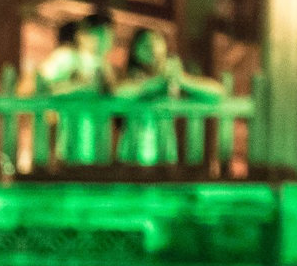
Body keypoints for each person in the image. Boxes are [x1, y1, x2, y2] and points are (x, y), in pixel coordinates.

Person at [112, 27, 225, 166]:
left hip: (164, 150)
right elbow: (116, 93)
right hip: (132, 151)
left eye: (156, 40)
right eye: (144, 43)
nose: (151, 47)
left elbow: (217, 93)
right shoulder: (127, 78)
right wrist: (155, 82)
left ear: (165, 46)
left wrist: (182, 80)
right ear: (134, 50)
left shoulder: (174, 78)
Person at [36, 13, 117, 165]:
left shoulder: (105, 66)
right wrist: (79, 88)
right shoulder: (66, 57)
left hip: (99, 140)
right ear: (81, 35)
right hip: (70, 137)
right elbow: (41, 85)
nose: (104, 41)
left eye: (108, 36)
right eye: (99, 34)